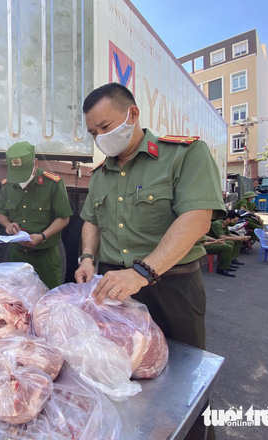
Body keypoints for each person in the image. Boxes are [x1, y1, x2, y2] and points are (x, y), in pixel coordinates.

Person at [74, 83, 226, 351]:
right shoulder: (99, 174)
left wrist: (141, 273)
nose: (100, 137)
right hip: (113, 288)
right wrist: (87, 258)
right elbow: (92, 220)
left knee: (182, 372)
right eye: (93, 133)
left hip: (172, 286)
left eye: (105, 127)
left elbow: (196, 219)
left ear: (132, 115)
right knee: (119, 366)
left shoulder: (184, 154)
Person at [0, 142, 73, 289]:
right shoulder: (7, 185)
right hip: (17, 257)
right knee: (18, 304)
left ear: (35, 163)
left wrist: (42, 236)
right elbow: (1, 213)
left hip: (45, 258)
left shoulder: (53, 184)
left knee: (48, 302)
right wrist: (8, 225)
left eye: (24, 173)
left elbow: (64, 218)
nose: (20, 179)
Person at [208, 210, 249, 275]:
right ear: (228, 219)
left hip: (215, 241)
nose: (234, 223)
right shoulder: (217, 224)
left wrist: (240, 238)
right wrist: (240, 238)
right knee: (228, 247)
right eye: (234, 221)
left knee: (236, 241)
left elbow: (229, 234)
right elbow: (222, 237)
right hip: (209, 243)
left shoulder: (225, 224)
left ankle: (230, 261)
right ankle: (222, 268)